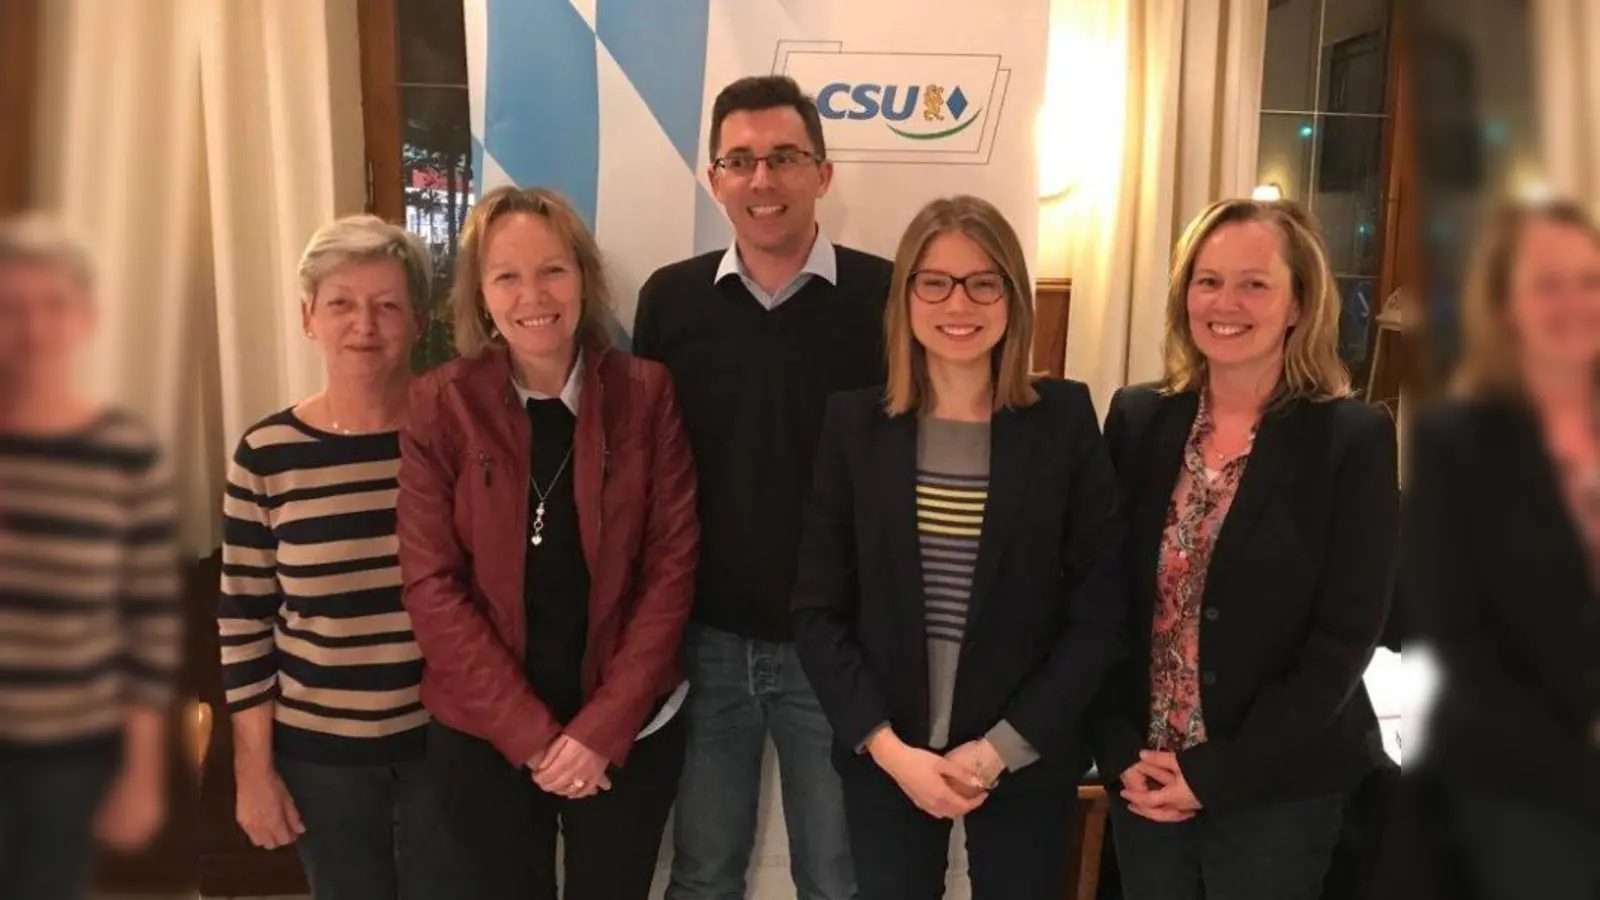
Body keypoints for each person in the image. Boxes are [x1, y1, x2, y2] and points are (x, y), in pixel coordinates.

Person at [791, 195, 1127, 899]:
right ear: (906, 295)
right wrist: (890, 751)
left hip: (1026, 755)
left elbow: (1099, 609)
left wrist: (998, 750)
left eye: (983, 282)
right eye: (935, 282)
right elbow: (819, 611)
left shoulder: (1064, 419)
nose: (959, 303)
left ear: (1012, 295)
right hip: (891, 759)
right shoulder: (854, 425)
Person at [633, 74, 892, 900]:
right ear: (714, 180)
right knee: (703, 872)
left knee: (835, 877)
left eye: (783, 157)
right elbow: (645, 478)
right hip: (707, 643)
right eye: (740, 161)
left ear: (823, 171)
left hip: (839, 648)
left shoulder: (888, 299)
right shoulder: (670, 301)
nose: (762, 180)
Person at [398, 185, 698, 900]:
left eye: (553, 270)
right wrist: (533, 738)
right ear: (481, 295)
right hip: (484, 733)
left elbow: (671, 572)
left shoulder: (646, 393)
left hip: (627, 726)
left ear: (584, 278)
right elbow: (430, 586)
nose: (534, 294)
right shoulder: (442, 404)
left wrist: (598, 733)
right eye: (507, 275)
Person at [1093, 198, 1398, 900]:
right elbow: (1098, 600)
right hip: (1145, 778)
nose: (1226, 302)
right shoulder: (1137, 419)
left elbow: (1344, 640)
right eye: (1208, 281)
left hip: (1278, 791)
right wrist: (1118, 755)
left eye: (1254, 283)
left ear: (1298, 304)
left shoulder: (1351, 440)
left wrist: (1214, 775)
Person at [217, 215, 463, 899]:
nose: (365, 324)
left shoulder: (452, 436)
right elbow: (243, 623)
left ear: (418, 322)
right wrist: (253, 772)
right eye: (341, 304)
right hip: (319, 757)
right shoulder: (267, 453)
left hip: (443, 745)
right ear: (308, 319)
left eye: (388, 306)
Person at [1406, 199, 1600, 899]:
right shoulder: (1455, 444)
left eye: (1590, 280)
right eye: (1548, 283)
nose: (1574, 302)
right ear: (1506, 304)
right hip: (1518, 795)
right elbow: (1463, 650)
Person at [0, 214, 179, 899]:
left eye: (52, 306)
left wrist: (139, 773)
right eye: (13, 307)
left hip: (68, 754)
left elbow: (148, 623)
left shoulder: (121, 449)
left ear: (83, 319)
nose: (33, 327)